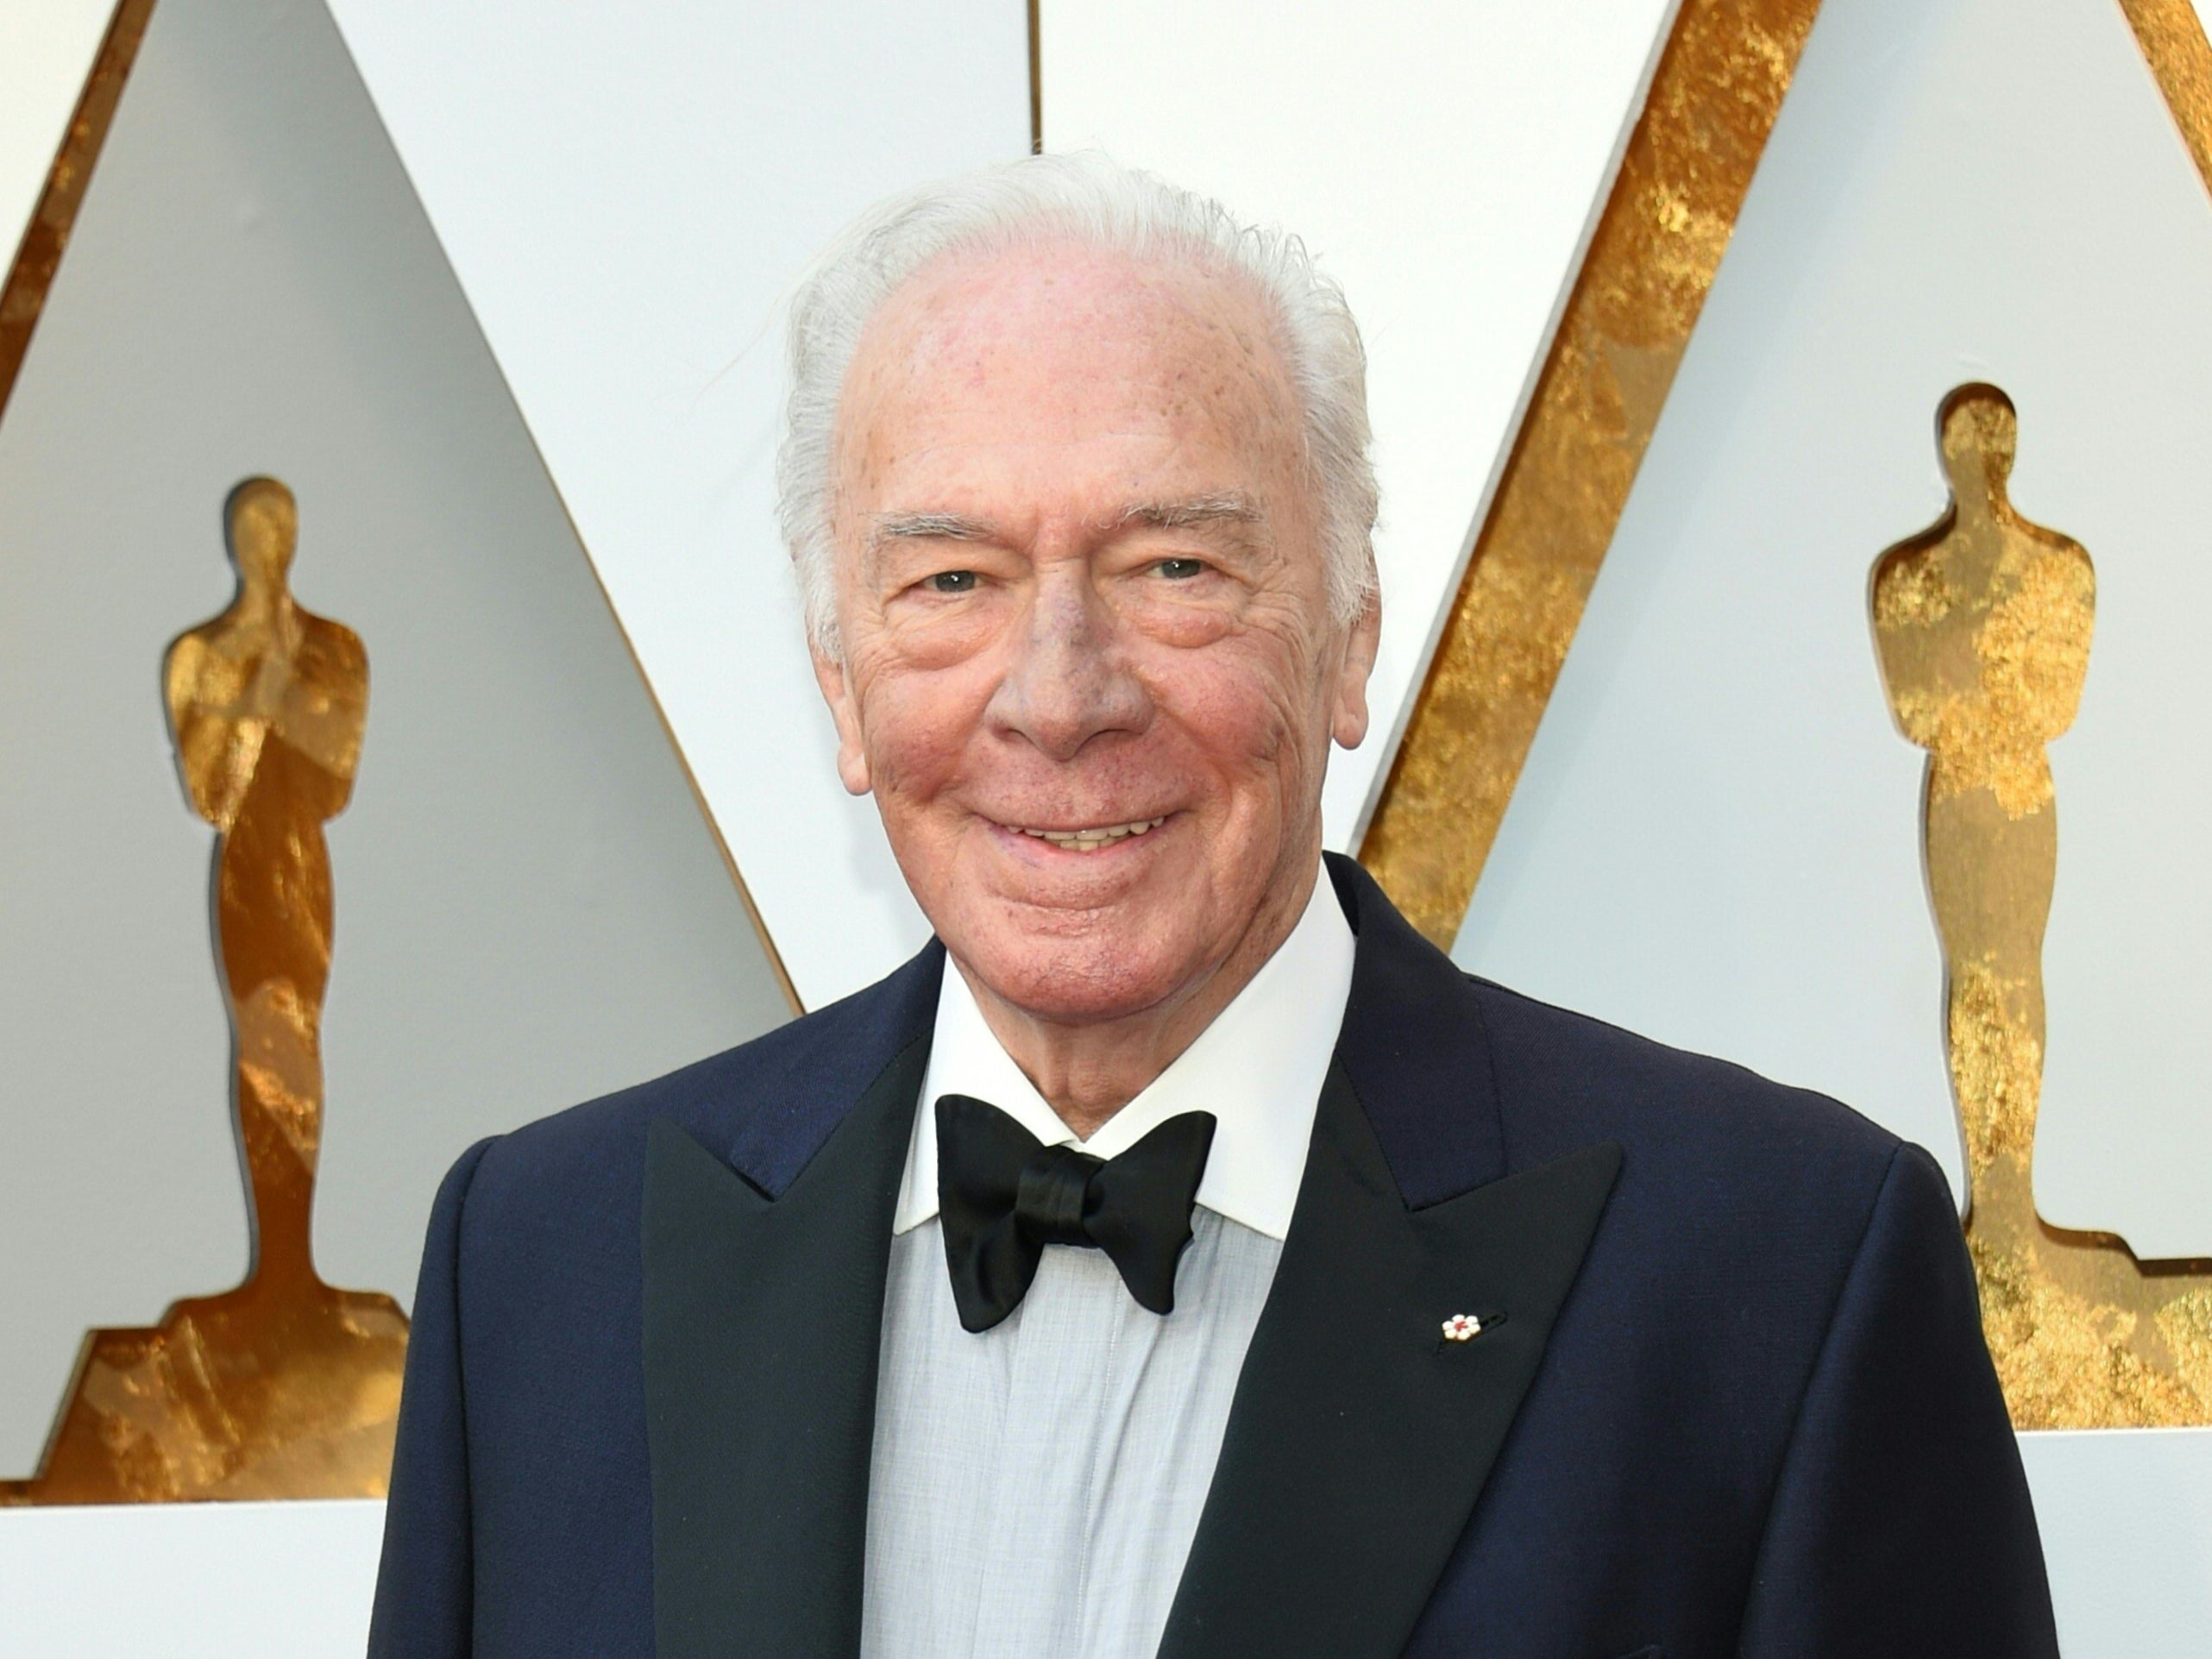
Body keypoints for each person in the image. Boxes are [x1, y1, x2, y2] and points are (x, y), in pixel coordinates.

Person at [369, 154, 2057, 1658]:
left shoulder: (1773, 1279)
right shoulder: (538, 1270)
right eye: (951, 578)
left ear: (1345, 636)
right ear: (838, 679)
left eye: (1172, 565)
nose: (1058, 694)